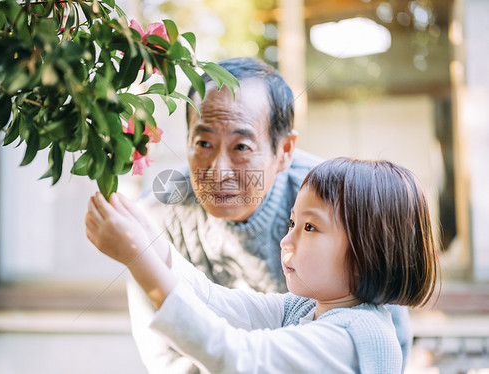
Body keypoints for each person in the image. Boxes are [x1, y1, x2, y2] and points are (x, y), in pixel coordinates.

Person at [126, 57, 413, 373]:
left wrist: (141, 255)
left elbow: (238, 355)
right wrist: (145, 247)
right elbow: (209, 308)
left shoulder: (331, 200)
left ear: (285, 150)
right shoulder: (301, 306)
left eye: (241, 147)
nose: (218, 171)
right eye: (204, 142)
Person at [85, 157, 439, 373]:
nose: (287, 241)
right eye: (291, 224)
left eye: (310, 227)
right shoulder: (307, 308)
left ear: (368, 252)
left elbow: (233, 356)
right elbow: (214, 301)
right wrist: (150, 238)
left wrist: (137, 256)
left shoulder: (350, 338)